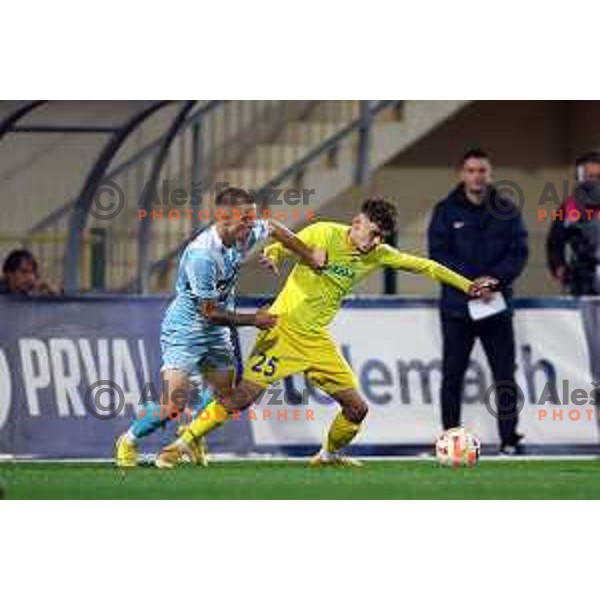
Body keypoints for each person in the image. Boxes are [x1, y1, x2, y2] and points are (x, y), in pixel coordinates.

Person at [155, 197, 495, 468]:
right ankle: (180, 444)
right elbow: (283, 244)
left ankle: (328, 455)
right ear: (357, 222)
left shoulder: (378, 254)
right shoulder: (324, 233)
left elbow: (427, 266)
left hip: (317, 341)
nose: (375, 241)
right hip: (283, 329)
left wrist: (467, 286)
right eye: (372, 232)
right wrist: (273, 256)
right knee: (242, 398)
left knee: (357, 409)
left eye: (381, 237)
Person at [114, 187, 325, 468]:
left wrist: (309, 255)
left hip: (216, 330)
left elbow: (275, 229)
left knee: (226, 396)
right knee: (173, 404)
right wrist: (253, 320)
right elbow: (210, 312)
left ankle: (192, 438)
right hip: (187, 329)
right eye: (245, 219)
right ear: (224, 219)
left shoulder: (247, 232)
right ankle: (128, 440)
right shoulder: (203, 256)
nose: (252, 224)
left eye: (253, 216)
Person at [428, 149, 529, 455]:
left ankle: (510, 440)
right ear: (462, 174)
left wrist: (492, 281)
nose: (476, 176)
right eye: (471, 170)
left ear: (490, 173)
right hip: (457, 309)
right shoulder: (445, 211)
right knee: (452, 375)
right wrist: (471, 285)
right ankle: (449, 439)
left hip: (496, 307)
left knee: (504, 376)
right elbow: (438, 254)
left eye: (482, 170)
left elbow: (519, 252)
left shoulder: (507, 210)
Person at [546, 152, 600, 295]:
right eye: (589, 177)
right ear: (579, 178)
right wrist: (558, 266)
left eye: (598, 177)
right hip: (578, 284)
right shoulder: (568, 207)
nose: (594, 181)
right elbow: (555, 243)